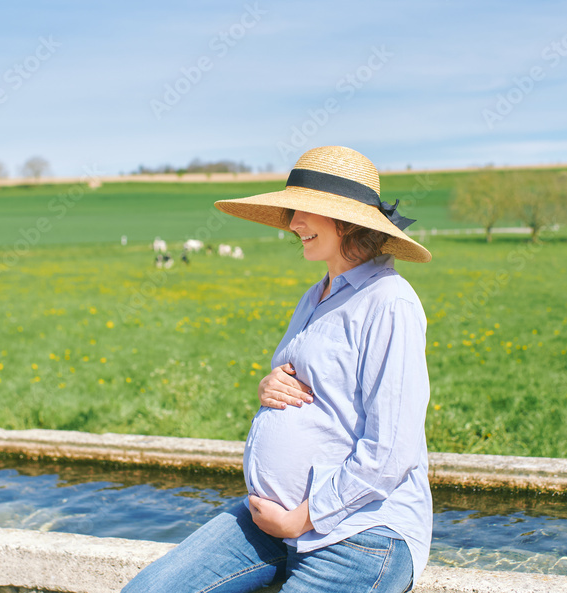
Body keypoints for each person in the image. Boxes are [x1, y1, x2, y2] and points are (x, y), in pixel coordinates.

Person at [122, 146, 432, 593]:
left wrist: (299, 518)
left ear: (346, 221)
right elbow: (314, 382)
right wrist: (271, 385)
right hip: (270, 523)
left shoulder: (389, 303)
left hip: (359, 533)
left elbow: (391, 452)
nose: (292, 224)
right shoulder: (316, 295)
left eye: (304, 211)